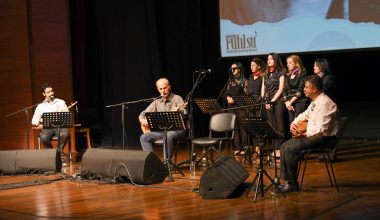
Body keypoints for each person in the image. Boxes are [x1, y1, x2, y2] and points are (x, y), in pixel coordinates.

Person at [279, 75, 338, 192]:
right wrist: (294, 123)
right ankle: (288, 181)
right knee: (285, 145)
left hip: (325, 139)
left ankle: (292, 184)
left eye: (306, 87)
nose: (304, 89)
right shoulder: (315, 101)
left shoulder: (326, 103)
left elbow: (321, 129)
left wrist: (304, 134)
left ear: (314, 89)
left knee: (290, 148)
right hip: (314, 135)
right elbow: (305, 114)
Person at [139, 78, 186, 161]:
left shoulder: (177, 98)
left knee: (168, 135)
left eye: (165, 88)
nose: (163, 91)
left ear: (169, 87)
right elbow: (142, 114)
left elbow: (185, 113)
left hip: (176, 130)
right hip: (162, 131)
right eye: (160, 89)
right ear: (158, 89)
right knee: (144, 137)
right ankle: (152, 162)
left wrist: (178, 113)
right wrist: (142, 120)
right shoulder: (157, 102)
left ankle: (167, 163)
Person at [261, 53, 287, 157]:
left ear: (276, 60)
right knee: (271, 126)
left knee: (279, 126)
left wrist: (272, 101)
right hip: (268, 102)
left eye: (271, 59)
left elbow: (281, 89)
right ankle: (274, 147)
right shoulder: (266, 73)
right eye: (268, 59)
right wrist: (265, 100)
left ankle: (280, 149)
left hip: (278, 101)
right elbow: (263, 88)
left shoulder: (280, 72)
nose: (269, 61)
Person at [31, 83, 70, 151]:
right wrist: (41, 121)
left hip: (60, 126)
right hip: (48, 128)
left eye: (52, 91)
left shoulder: (61, 102)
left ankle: (57, 154)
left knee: (65, 134)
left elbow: (67, 115)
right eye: (48, 92)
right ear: (44, 94)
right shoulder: (41, 106)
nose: (51, 93)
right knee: (44, 137)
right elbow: (34, 120)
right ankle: (52, 154)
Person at [313, 58, 337, 161]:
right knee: (321, 130)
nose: (314, 67)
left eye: (316, 65)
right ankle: (322, 154)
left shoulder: (328, 78)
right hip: (318, 107)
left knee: (329, 130)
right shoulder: (315, 78)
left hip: (327, 107)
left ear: (322, 66)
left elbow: (322, 90)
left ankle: (331, 155)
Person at [224, 62, 248, 155]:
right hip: (231, 107)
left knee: (242, 127)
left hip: (241, 107)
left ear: (239, 70)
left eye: (234, 68)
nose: (232, 70)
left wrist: (235, 99)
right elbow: (225, 93)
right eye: (231, 68)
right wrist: (227, 98)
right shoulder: (230, 81)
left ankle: (244, 147)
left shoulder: (245, 81)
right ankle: (237, 147)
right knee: (234, 127)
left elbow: (246, 96)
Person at [284, 55, 309, 123]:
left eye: (290, 63)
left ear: (296, 63)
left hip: (300, 102)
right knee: (292, 125)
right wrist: (287, 102)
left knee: (299, 125)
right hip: (289, 103)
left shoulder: (303, 73)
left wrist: (290, 102)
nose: (288, 65)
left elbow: (300, 90)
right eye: (287, 63)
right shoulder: (287, 75)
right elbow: (285, 91)